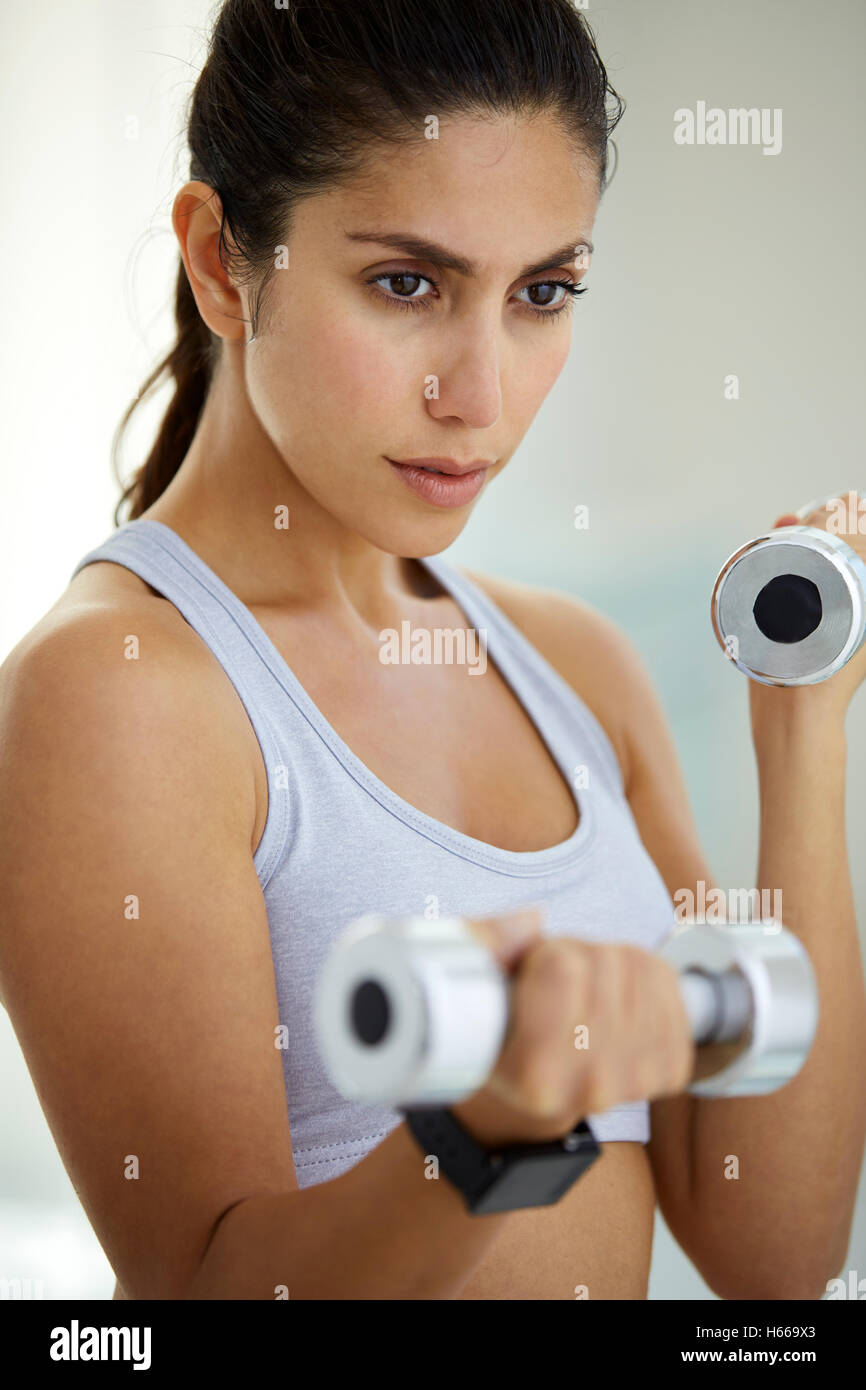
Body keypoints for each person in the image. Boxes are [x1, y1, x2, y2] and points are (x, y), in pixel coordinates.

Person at [1, 0, 864, 1302]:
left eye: (542, 293)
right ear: (224, 264)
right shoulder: (121, 692)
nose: (481, 392)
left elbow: (772, 1254)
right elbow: (202, 1296)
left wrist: (800, 730)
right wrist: (489, 1122)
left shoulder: (577, 667)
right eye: (407, 283)